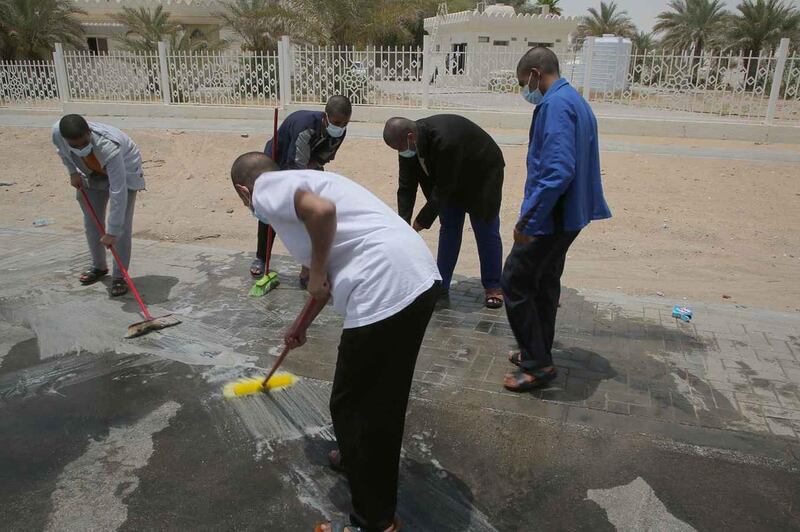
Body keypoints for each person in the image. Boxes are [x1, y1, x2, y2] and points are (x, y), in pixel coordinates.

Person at [230, 152, 440, 532]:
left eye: (245, 201)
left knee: (362, 408)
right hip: (415, 277)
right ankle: (356, 458)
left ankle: (374, 521)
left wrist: (319, 271)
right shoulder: (300, 186)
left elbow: (323, 214)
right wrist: (300, 325)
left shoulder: (266, 189)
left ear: (244, 191)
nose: (251, 206)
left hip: (384, 286)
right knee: (366, 401)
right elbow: (320, 281)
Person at [502, 47, 612, 392]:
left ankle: (537, 365)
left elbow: (558, 171)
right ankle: (536, 350)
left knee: (515, 280)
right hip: (569, 216)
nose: (526, 91)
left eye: (525, 83)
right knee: (544, 281)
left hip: (552, 217)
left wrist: (527, 221)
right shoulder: (575, 101)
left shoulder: (555, 105)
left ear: (536, 73)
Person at [383, 115, 505, 309]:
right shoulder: (407, 143)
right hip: (448, 181)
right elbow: (406, 186)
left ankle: (493, 286)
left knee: (485, 229)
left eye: (399, 147)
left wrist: (421, 221)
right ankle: (442, 284)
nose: (400, 152)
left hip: (481, 175)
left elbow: (444, 187)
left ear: (410, 136)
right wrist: (403, 225)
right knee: (449, 227)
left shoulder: (444, 140)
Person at [251, 95, 353, 287]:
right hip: (278, 161)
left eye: (345, 123)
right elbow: (296, 166)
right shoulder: (304, 125)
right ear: (326, 116)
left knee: (312, 215)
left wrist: (313, 171)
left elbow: (322, 158)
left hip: (307, 164)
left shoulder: (340, 131)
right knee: (272, 210)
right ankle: (261, 258)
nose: (340, 127)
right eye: (337, 122)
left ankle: (308, 267)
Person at [52, 114, 144, 297]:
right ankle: (99, 266)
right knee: (92, 222)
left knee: (121, 229)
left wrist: (112, 231)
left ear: (89, 133)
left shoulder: (109, 146)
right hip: (90, 171)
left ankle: (119, 276)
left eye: (83, 143)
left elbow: (118, 191)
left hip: (124, 170)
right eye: (74, 145)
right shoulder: (57, 133)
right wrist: (72, 172)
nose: (79, 147)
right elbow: (62, 152)